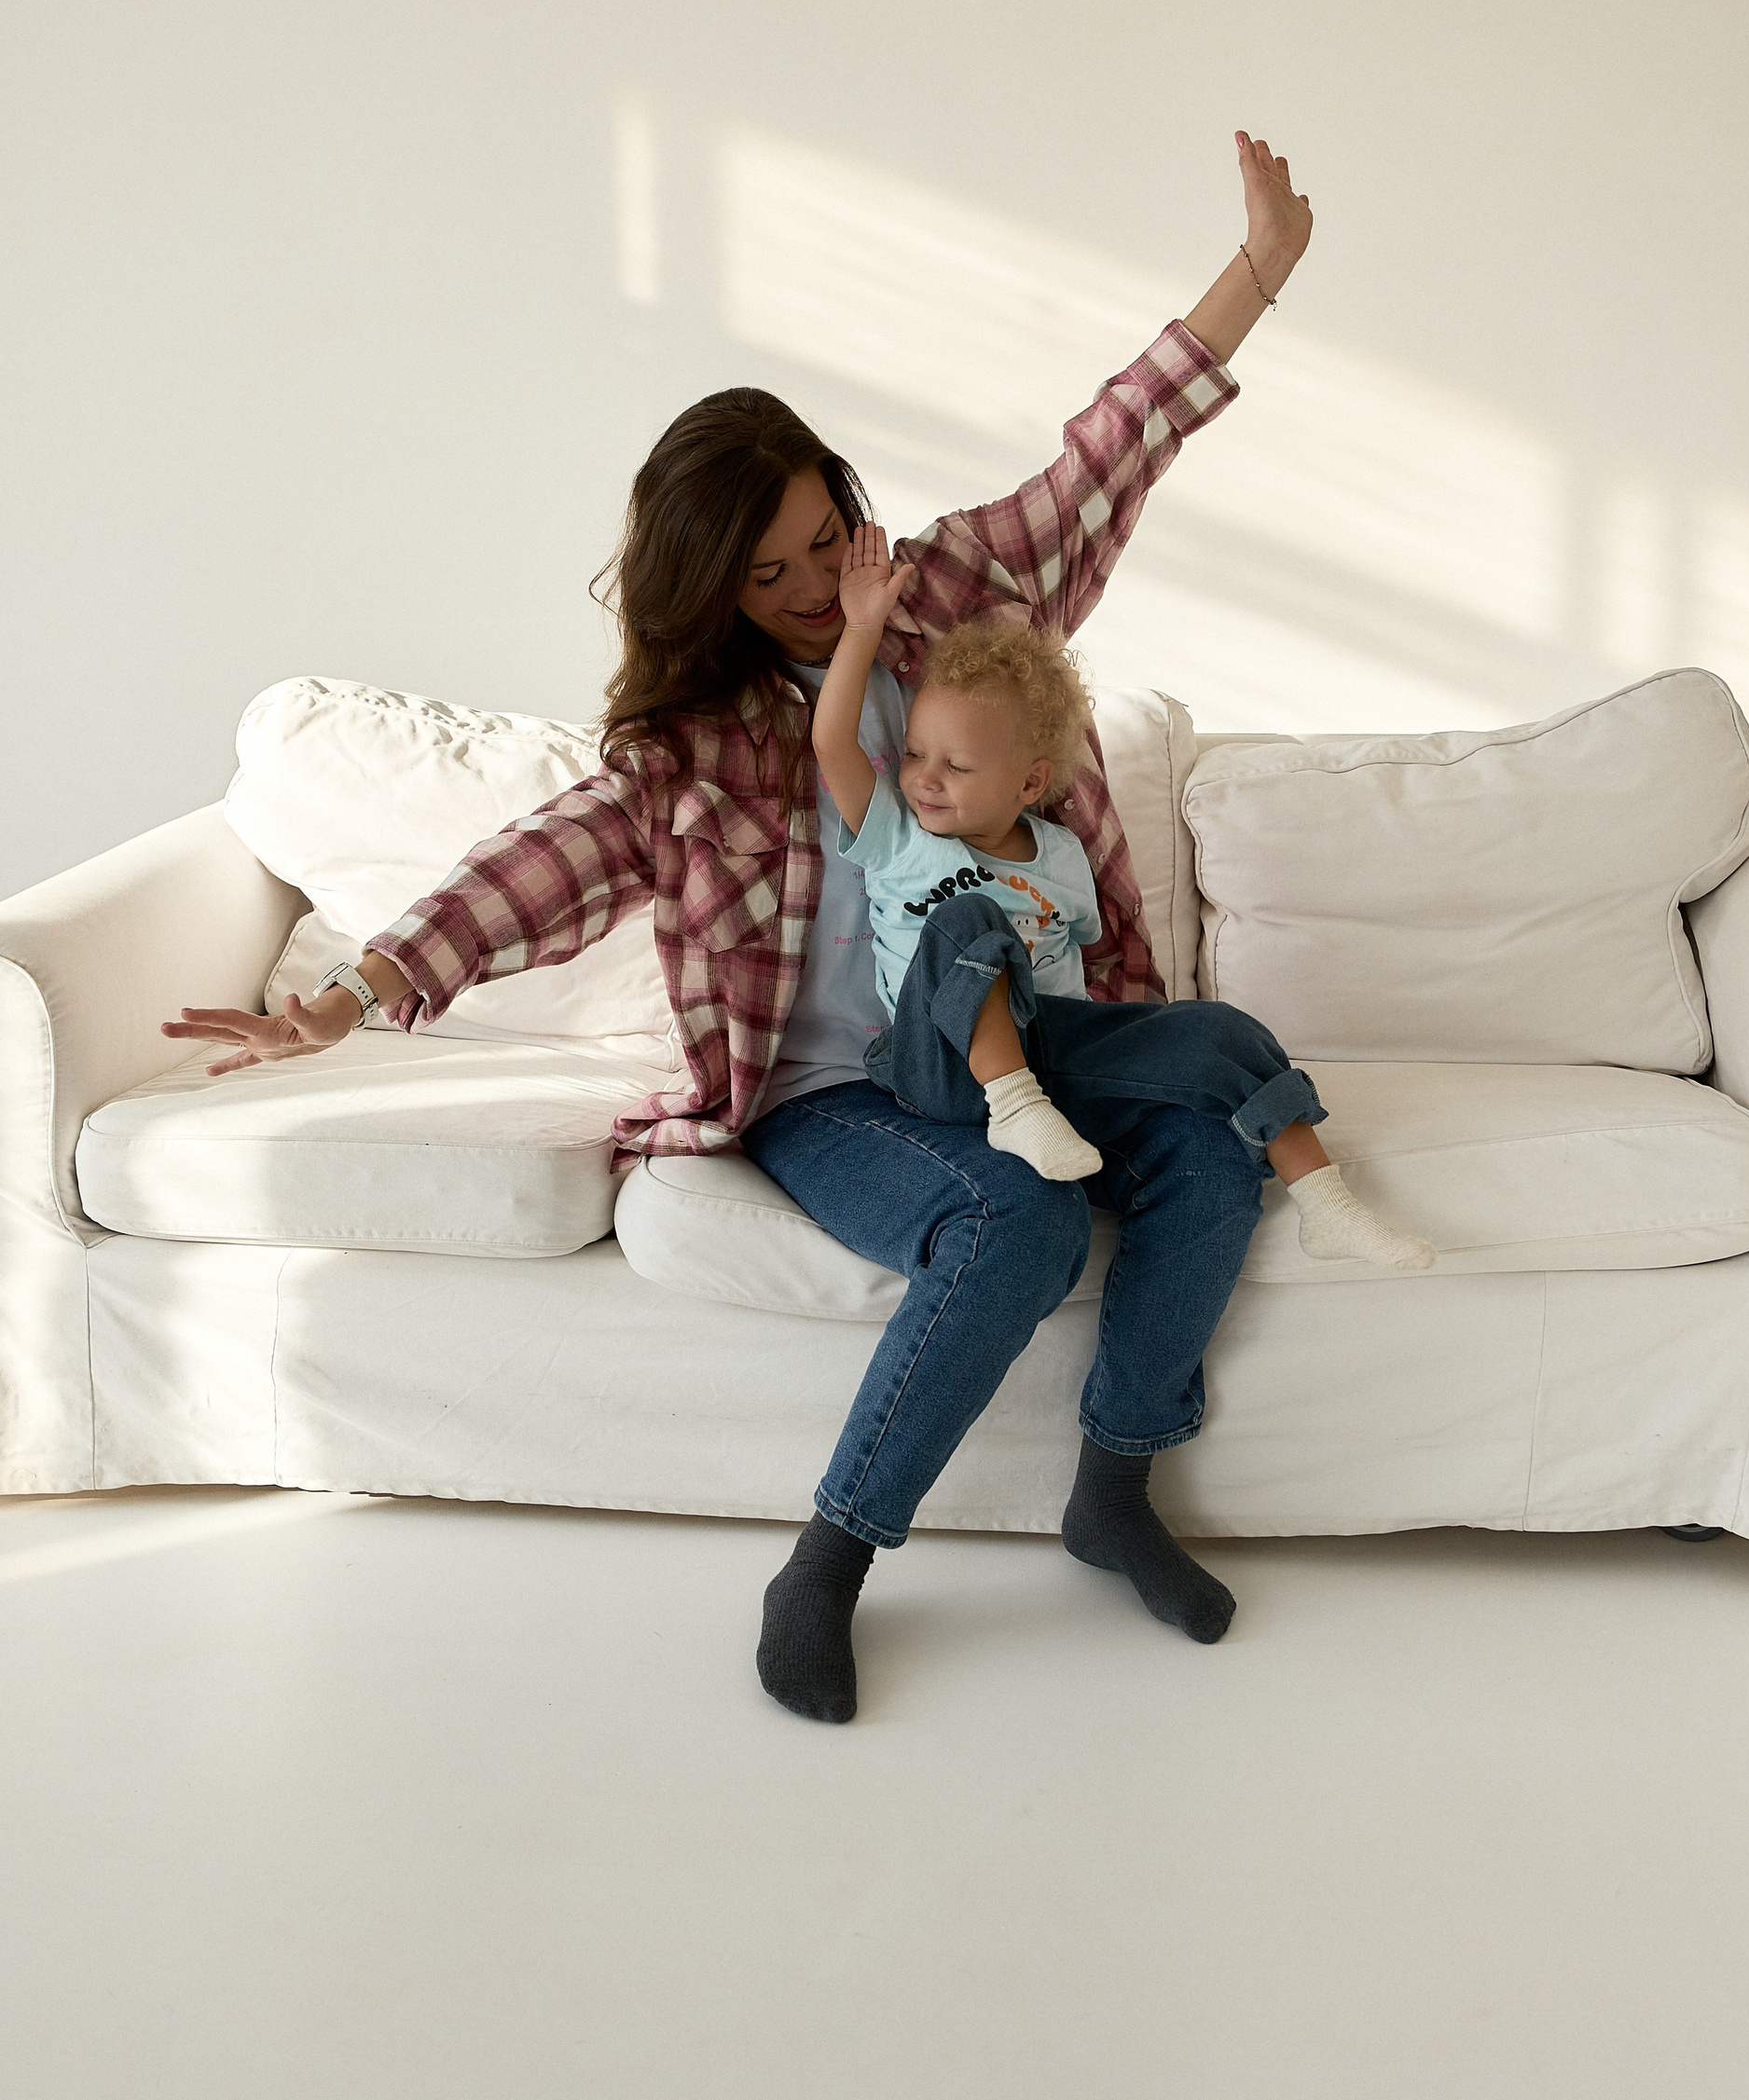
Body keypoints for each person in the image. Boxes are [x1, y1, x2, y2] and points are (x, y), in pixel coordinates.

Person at [164, 131, 1345, 1726]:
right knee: (1018, 1221)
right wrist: (349, 993)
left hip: (1041, 1048)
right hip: (837, 1095)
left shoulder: (953, 595)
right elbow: (534, 868)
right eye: (762, 569)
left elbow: (1105, 458)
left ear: (850, 512)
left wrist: (1256, 273)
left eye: (817, 542)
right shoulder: (691, 750)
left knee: (1210, 1152)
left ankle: (1115, 1487)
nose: (800, 586)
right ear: (709, 582)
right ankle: (830, 1561)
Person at [808, 561, 1436, 1280]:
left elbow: (1077, 965)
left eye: (957, 765)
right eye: (917, 753)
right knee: (971, 918)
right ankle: (1013, 1104)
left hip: (1052, 1060)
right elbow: (832, 743)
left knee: (1219, 1028)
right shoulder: (896, 834)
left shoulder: (1060, 856)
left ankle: (1326, 1200)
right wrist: (861, 627)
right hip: (939, 1062)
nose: (924, 776)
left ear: (1030, 781)